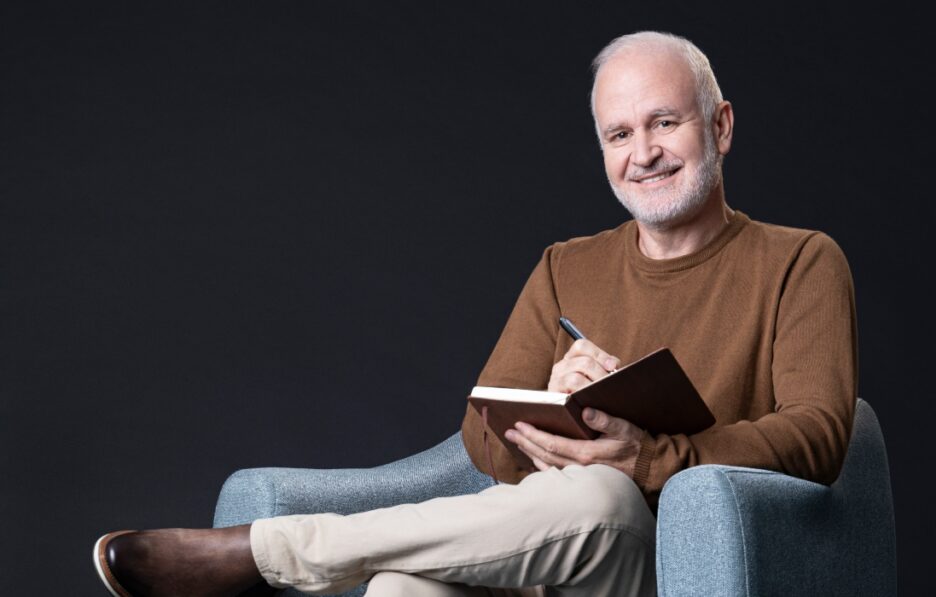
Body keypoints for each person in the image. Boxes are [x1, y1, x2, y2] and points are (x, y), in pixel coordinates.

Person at [93, 31, 857, 597]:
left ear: (719, 126)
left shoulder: (800, 260)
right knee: (400, 590)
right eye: (620, 134)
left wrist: (647, 460)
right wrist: (559, 405)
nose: (644, 152)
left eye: (666, 123)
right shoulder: (568, 265)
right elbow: (479, 443)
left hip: (665, 562)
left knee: (599, 494)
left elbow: (819, 435)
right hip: (533, 552)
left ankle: (276, 552)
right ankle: (287, 553)